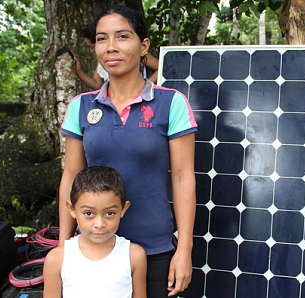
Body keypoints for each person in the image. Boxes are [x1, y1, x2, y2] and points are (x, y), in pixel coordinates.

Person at [59, 6, 197, 298]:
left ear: (143, 45)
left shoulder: (171, 103)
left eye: (122, 37)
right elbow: (71, 177)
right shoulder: (80, 107)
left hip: (154, 247)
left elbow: (183, 178)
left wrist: (183, 249)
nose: (111, 47)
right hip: (93, 247)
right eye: (101, 38)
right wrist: (63, 248)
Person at [43, 166, 147, 298]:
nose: (100, 224)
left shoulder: (134, 255)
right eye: (88, 213)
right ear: (72, 209)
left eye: (110, 213)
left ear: (123, 209)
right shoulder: (57, 259)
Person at [72, 23, 160, 89]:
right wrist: (78, 70)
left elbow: (161, 67)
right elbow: (97, 84)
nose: (91, 51)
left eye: (92, 47)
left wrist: (145, 87)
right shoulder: (104, 60)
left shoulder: (134, 52)